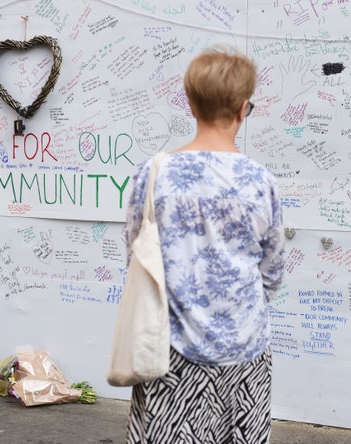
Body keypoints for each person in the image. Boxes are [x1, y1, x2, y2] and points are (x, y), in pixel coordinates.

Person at [123, 46, 285, 443]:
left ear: (191, 104)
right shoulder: (260, 181)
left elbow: (135, 253)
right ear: (243, 109)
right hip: (245, 352)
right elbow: (274, 271)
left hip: (170, 350)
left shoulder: (153, 173)